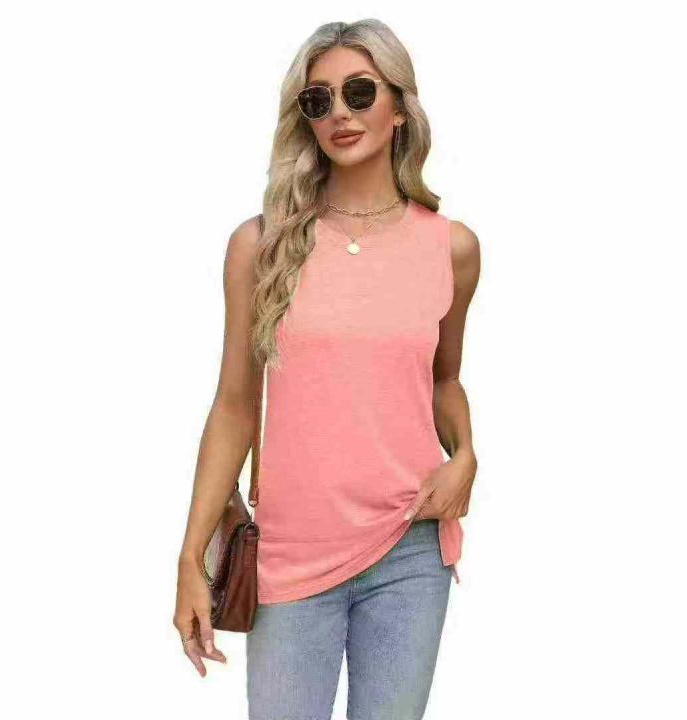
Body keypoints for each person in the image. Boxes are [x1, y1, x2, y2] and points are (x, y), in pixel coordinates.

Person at [174, 18, 481, 720]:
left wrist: (465, 454)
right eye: (319, 100)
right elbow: (234, 405)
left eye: (360, 92)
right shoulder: (261, 245)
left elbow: (443, 379)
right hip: (291, 553)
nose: (340, 112)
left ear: (398, 107)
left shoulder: (451, 248)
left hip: (410, 548)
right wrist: (192, 555)